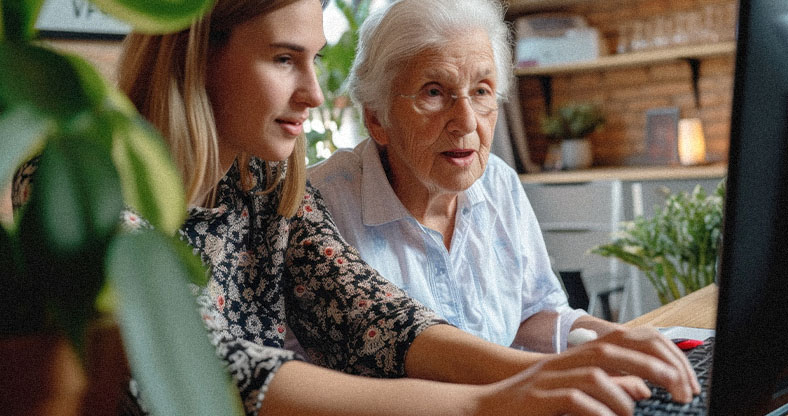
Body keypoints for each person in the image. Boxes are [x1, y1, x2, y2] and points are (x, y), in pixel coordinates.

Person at [13, 0, 699, 414]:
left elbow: (379, 320)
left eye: (314, 59)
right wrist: (490, 404)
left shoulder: (261, 183)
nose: (314, 93)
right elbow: (206, 365)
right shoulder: (73, 182)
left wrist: (559, 371)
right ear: (199, 57)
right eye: (285, 59)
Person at [308, 0, 622, 353]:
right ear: (377, 118)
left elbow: (534, 312)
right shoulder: (320, 208)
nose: (468, 121)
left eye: (481, 90)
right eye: (433, 92)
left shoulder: (499, 184)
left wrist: (618, 338)